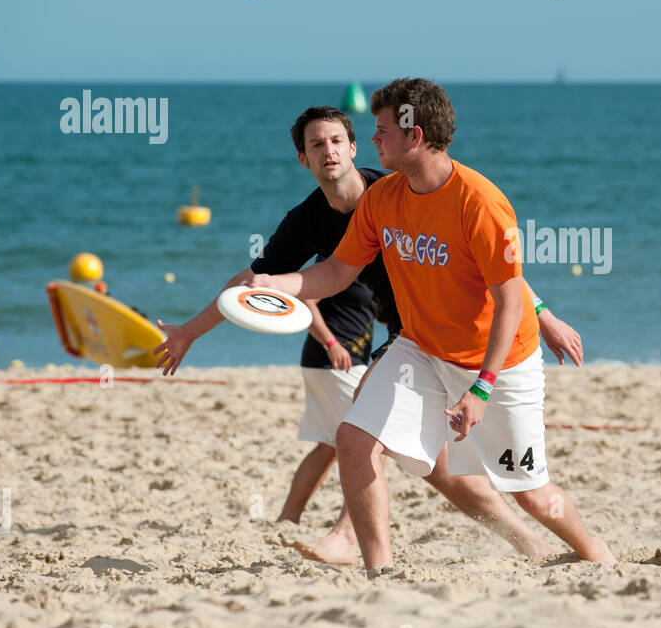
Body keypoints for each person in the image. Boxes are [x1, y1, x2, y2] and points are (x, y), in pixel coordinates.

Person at [153, 106, 585, 562]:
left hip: (449, 333)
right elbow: (253, 279)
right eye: (316, 145)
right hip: (411, 335)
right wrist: (189, 332)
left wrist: (545, 315)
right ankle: (527, 544)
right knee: (435, 469)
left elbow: (492, 259)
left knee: (369, 428)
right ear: (303, 159)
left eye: (337, 141)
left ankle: (347, 536)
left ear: (355, 148)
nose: (329, 151)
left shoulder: (393, 189)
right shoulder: (307, 220)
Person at [251, 79, 615, 569]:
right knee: (354, 440)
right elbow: (337, 272)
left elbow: (510, 299)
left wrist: (482, 389)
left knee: (530, 493)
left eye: (381, 131)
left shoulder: (479, 203)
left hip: (499, 361)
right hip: (419, 347)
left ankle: (598, 557)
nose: (373, 142)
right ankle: (380, 571)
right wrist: (279, 284)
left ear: (414, 136)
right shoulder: (383, 198)